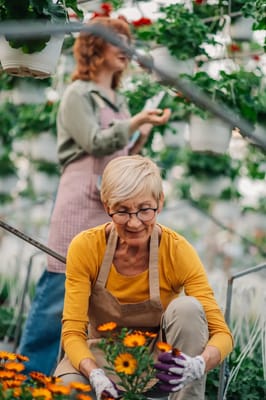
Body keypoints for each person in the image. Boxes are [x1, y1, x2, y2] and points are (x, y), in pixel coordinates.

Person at [18, 16, 171, 375]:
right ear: (93, 46)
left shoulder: (116, 100)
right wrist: (132, 123)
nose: (125, 49)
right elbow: (93, 142)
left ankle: (67, 376)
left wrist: (140, 133)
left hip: (111, 203)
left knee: (94, 290)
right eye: (115, 40)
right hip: (79, 200)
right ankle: (24, 378)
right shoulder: (77, 93)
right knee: (60, 283)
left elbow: (121, 156)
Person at [54, 155, 233, 400]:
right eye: (122, 211)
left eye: (144, 210)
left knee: (188, 309)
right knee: (69, 388)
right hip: (102, 354)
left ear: (160, 203)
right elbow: (73, 331)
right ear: (107, 206)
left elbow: (222, 334)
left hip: (159, 362)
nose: (135, 222)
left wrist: (199, 363)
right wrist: (94, 373)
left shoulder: (177, 251)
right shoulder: (86, 247)